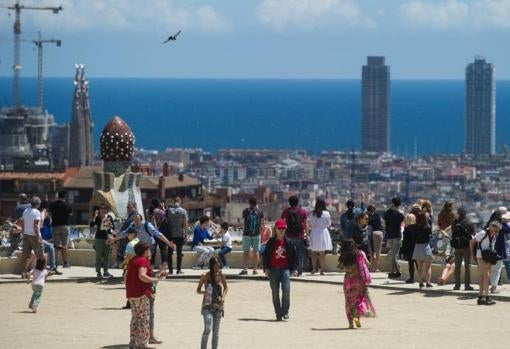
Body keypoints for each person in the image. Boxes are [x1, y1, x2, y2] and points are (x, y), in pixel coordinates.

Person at [125, 242, 166, 348]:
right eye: (149, 249)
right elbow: (142, 276)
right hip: (141, 294)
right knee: (143, 319)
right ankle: (143, 344)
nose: (150, 251)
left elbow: (126, 276)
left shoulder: (134, 260)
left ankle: (133, 343)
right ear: (145, 251)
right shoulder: (143, 261)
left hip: (131, 294)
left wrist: (157, 275)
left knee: (135, 318)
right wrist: (156, 279)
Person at [111, 213, 176, 271]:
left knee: (145, 261)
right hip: (140, 246)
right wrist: (114, 239)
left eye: (137, 221)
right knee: (140, 261)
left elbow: (158, 234)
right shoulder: (132, 225)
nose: (136, 222)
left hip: (149, 246)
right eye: (135, 220)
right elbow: (124, 233)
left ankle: (146, 275)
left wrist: (168, 243)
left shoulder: (147, 225)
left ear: (141, 220)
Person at [262, 219, 297, 321]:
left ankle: (285, 312)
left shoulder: (289, 242)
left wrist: (294, 269)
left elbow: (294, 257)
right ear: (275, 229)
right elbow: (265, 257)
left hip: (285, 270)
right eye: (279, 228)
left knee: (286, 290)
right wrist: (266, 269)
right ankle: (278, 313)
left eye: (283, 228)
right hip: (273, 270)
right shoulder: (270, 243)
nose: (281, 230)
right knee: (275, 293)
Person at [339, 240, 376, 329]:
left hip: (348, 280)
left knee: (349, 302)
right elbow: (368, 264)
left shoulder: (343, 256)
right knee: (359, 300)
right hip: (358, 280)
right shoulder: (360, 254)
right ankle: (357, 318)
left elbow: (340, 268)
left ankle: (351, 324)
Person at [197, 256, 228, 349]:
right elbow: (198, 290)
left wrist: (223, 297)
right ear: (211, 266)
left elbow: (226, 287)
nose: (217, 269)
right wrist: (204, 292)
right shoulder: (204, 276)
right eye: (215, 267)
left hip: (218, 306)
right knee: (208, 328)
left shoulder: (221, 275)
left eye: (218, 267)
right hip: (207, 306)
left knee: (216, 332)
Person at [470, 221, 500, 305]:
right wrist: (472, 255)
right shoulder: (483, 233)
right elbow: (472, 242)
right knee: (486, 276)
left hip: (488, 257)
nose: (496, 232)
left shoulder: (493, 235)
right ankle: (486, 297)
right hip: (481, 256)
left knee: (483, 277)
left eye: (497, 231)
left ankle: (480, 298)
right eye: (495, 230)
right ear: (491, 227)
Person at [281, 195, 308, 276]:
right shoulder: (302, 211)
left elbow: (282, 223)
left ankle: (290, 270)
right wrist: (307, 234)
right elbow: (306, 224)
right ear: (297, 202)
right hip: (299, 235)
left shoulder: (286, 211)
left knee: (289, 253)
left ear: (289, 203)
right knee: (300, 253)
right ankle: (299, 271)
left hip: (288, 235)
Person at [20, 196, 45, 279]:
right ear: (38, 204)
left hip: (26, 234)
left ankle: (23, 272)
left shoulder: (25, 211)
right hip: (34, 235)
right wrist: (38, 237)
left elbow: (23, 223)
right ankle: (39, 273)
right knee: (40, 256)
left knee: (25, 255)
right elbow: (35, 226)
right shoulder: (37, 212)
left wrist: (23, 233)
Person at [451, 207, 475, 291]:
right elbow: (473, 234)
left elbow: (452, 232)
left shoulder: (455, 222)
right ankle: (467, 285)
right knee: (467, 267)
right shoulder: (469, 222)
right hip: (466, 247)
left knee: (457, 267)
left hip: (457, 247)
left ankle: (457, 285)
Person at [239, 198, 265, 276]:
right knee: (256, 252)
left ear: (249, 203)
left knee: (246, 252)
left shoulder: (245, 211)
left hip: (246, 234)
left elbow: (243, 223)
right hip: (256, 234)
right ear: (256, 203)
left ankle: (245, 269)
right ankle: (255, 270)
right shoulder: (260, 211)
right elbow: (263, 224)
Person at [90, 204, 116, 279]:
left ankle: (106, 271)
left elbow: (113, 228)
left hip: (107, 238)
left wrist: (111, 226)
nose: (103, 210)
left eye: (105, 208)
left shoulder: (109, 217)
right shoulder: (97, 217)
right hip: (99, 238)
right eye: (101, 208)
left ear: (107, 210)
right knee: (98, 256)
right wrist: (95, 216)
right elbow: (91, 225)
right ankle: (98, 272)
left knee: (107, 256)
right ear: (99, 209)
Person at [163, 197, 188, 275]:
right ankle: (178, 270)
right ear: (180, 202)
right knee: (179, 253)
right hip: (180, 234)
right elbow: (185, 224)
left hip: (170, 234)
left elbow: (166, 221)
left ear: (174, 202)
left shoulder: (169, 211)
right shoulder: (183, 211)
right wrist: (186, 234)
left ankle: (170, 270)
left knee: (169, 253)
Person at [48, 191, 73, 268]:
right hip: (65, 227)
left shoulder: (52, 205)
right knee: (64, 246)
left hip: (55, 226)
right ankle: (65, 263)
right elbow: (71, 214)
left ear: (58, 196)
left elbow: (49, 213)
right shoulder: (67, 205)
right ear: (64, 197)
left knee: (55, 246)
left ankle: (54, 263)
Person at [308, 198, 332, 275]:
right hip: (323, 232)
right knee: (322, 253)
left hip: (315, 232)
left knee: (313, 252)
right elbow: (329, 224)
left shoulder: (312, 214)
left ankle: (314, 269)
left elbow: (311, 224)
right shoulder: (327, 213)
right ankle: (322, 270)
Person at [383, 197, 405, 279]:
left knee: (392, 255)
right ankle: (393, 272)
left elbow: (385, 223)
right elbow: (402, 221)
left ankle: (396, 271)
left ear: (392, 203)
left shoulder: (387, 213)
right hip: (397, 236)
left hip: (390, 236)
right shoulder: (400, 214)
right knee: (393, 255)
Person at [412, 212, 434, 288]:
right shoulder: (427, 227)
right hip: (425, 246)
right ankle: (428, 282)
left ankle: (421, 282)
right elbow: (431, 236)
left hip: (417, 247)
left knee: (419, 267)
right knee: (428, 267)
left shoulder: (414, 227)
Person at [490, 211, 508, 293]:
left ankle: (491, 285)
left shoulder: (490, 224)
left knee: (492, 269)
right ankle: (493, 287)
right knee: (497, 270)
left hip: (489, 251)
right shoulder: (500, 225)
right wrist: (503, 222)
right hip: (499, 251)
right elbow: (508, 230)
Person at [116, 201, 138, 268]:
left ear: (134, 207)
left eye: (129, 207)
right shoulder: (130, 215)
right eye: (127, 207)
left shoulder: (135, 216)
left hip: (130, 239)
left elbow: (130, 228)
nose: (128, 209)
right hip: (125, 239)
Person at [148, 199, 167, 270]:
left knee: (153, 249)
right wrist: (163, 207)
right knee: (163, 249)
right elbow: (165, 216)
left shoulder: (148, 211)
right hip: (160, 232)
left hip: (151, 232)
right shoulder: (160, 211)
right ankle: (164, 265)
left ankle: (151, 265)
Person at [400, 213, 417, 284]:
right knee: (418, 264)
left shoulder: (407, 229)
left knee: (411, 264)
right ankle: (422, 279)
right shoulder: (417, 228)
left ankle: (412, 278)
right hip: (417, 247)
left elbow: (405, 241)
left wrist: (402, 251)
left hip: (409, 249)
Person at [367, 205, 383, 272]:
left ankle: (371, 267)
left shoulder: (367, 216)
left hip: (371, 232)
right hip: (379, 233)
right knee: (378, 251)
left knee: (371, 251)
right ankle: (375, 268)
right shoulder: (378, 215)